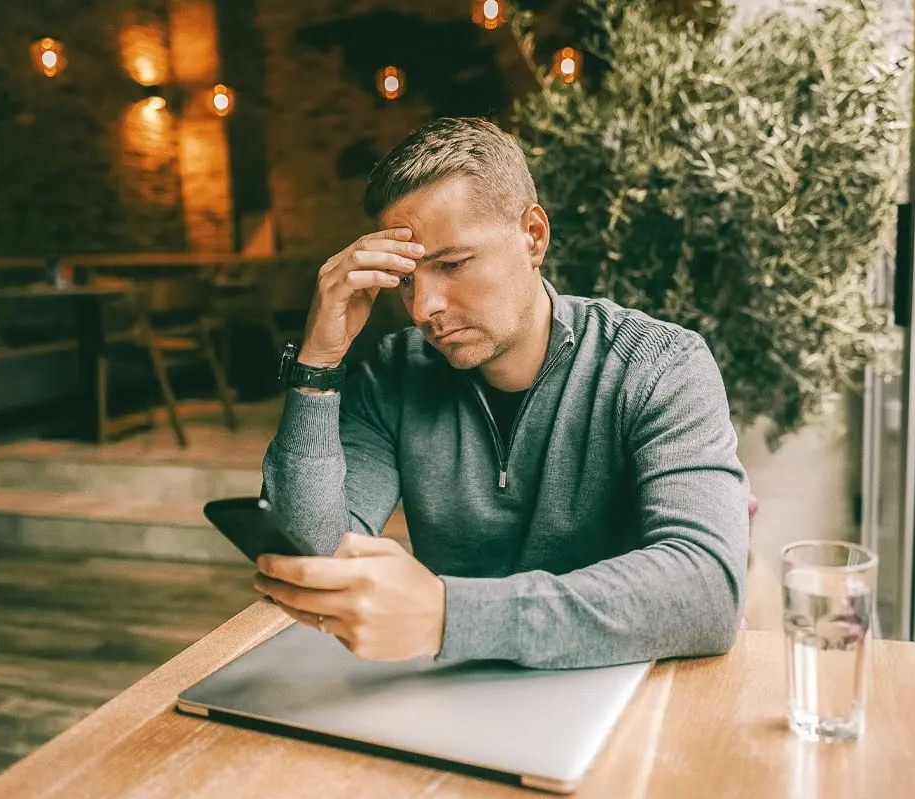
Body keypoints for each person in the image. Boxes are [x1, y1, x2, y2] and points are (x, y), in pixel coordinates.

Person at [256, 117, 750, 670]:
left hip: (624, 692)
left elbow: (708, 589)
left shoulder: (659, 365)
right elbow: (317, 560)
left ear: (533, 236)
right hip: (453, 690)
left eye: (451, 265)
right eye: (407, 280)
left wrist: (448, 616)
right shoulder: (393, 373)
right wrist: (317, 365)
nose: (424, 309)